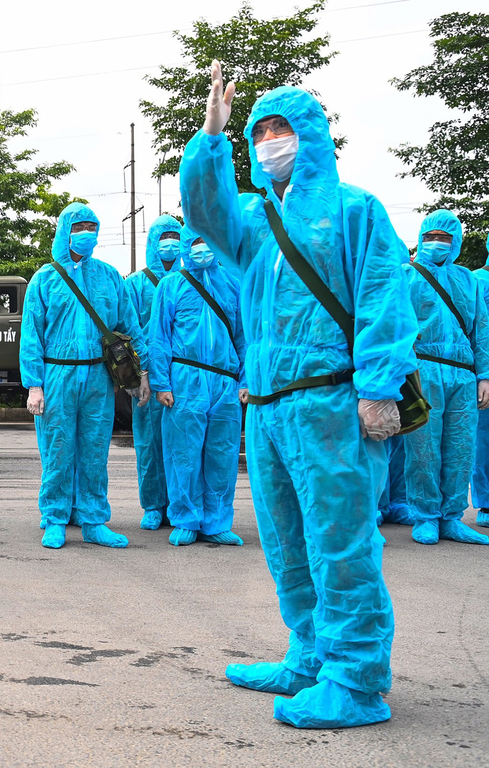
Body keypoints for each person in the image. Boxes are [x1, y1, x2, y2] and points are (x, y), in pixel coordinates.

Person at [181, 62, 418, 728]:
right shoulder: (255, 221)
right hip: (267, 405)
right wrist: (211, 138)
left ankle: (357, 679)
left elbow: (382, 298)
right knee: (286, 540)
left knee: (341, 541)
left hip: (332, 404)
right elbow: (204, 211)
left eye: (282, 128)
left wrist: (377, 387)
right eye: (261, 132)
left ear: (312, 135)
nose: (271, 142)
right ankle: (309, 653)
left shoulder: (355, 210)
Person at [21, 203, 150, 550]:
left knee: (94, 450)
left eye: (92, 227)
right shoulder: (45, 279)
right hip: (57, 374)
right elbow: (31, 334)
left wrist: (144, 373)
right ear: (65, 231)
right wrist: (34, 385)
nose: (86, 234)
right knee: (58, 448)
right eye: (79, 227)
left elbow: (130, 326)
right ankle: (55, 517)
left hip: (97, 376)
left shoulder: (109, 276)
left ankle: (93, 519)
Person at [148, 226, 246, 547]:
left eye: (209, 241)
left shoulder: (233, 285)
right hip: (185, 379)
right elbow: (159, 338)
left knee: (223, 453)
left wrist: (246, 380)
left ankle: (217, 520)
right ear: (187, 247)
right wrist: (161, 382)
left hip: (225, 382)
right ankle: (186, 518)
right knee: (184, 453)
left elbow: (244, 339)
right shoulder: (171, 286)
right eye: (196, 242)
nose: (202, 248)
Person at [398, 211, 489, 545]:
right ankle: (425, 516)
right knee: (422, 447)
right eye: (431, 236)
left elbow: (482, 329)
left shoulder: (468, 280)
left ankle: (451, 518)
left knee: (461, 447)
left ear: (457, 242)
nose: (438, 243)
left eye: (446, 237)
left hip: (464, 375)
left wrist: (485, 376)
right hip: (423, 369)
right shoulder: (406, 275)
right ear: (421, 237)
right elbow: (395, 328)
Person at [122, 215, 182, 530]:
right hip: (148, 375)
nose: (169, 244)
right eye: (164, 238)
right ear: (152, 243)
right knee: (149, 443)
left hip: (185, 375)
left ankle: (180, 504)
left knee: (182, 442)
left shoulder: (190, 280)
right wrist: (139, 373)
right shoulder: (135, 284)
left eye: (175, 237)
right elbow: (127, 332)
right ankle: (154, 504)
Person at [472, 239, 489, 529]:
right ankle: (486, 503)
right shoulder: (477, 281)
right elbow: (477, 332)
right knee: (483, 439)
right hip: (485, 371)